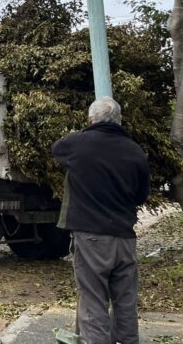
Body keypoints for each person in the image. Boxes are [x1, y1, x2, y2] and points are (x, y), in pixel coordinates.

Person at [51, 96, 150, 344]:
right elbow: (141, 196)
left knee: (93, 301)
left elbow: (56, 149)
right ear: (119, 120)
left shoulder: (78, 144)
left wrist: (85, 130)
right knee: (125, 301)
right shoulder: (135, 151)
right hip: (125, 239)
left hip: (92, 238)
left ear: (91, 119)